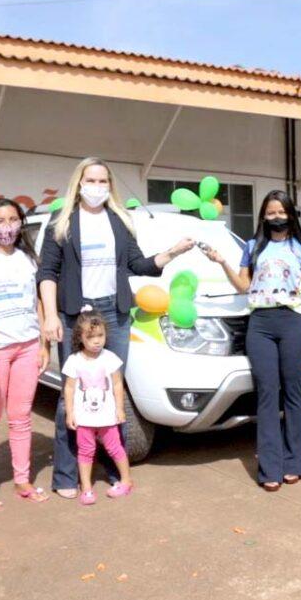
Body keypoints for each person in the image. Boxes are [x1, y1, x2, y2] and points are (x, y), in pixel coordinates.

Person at [38, 157, 193, 499]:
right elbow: (47, 272)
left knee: (111, 389)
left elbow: (138, 264)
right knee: (71, 394)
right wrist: (50, 315)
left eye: (103, 181)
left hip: (115, 312)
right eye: (91, 180)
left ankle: (113, 470)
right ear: (79, 183)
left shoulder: (120, 221)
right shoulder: (61, 222)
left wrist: (173, 252)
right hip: (75, 314)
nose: (97, 187)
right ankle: (66, 476)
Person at [203, 190, 301, 491]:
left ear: (290, 214)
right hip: (261, 326)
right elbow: (244, 285)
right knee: (267, 394)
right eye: (271, 213)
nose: (276, 217)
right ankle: (270, 467)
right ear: (263, 216)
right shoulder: (253, 247)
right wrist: (223, 262)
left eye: (281, 212)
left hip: (292, 323)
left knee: (293, 392)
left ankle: (295, 462)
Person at [0, 198, 51, 509]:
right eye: (0, 221)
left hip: (28, 346)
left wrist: (43, 344)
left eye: (13, 220)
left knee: (21, 417)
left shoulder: (28, 259)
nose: (7, 226)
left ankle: (22, 480)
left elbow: (37, 302)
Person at [62, 307, 133, 505]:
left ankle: (126, 481)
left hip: (107, 417)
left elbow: (117, 384)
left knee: (115, 447)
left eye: (100, 335)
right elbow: (69, 388)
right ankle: (86, 488)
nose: (96, 341)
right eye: (91, 336)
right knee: (85, 451)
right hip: (84, 418)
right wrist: (70, 413)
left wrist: (120, 409)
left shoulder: (109, 358)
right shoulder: (74, 360)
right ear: (80, 337)